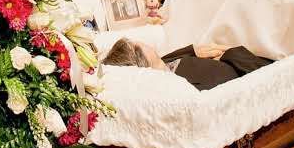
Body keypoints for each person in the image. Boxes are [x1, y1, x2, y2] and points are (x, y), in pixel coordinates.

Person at [102, 38, 272, 91]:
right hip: (250, 65)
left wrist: (194, 51)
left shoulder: (162, 62)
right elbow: (262, 76)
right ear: (142, 61)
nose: (144, 42)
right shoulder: (183, 86)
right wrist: (230, 54)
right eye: (139, 45)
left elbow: (165, 60)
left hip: (239, 56)